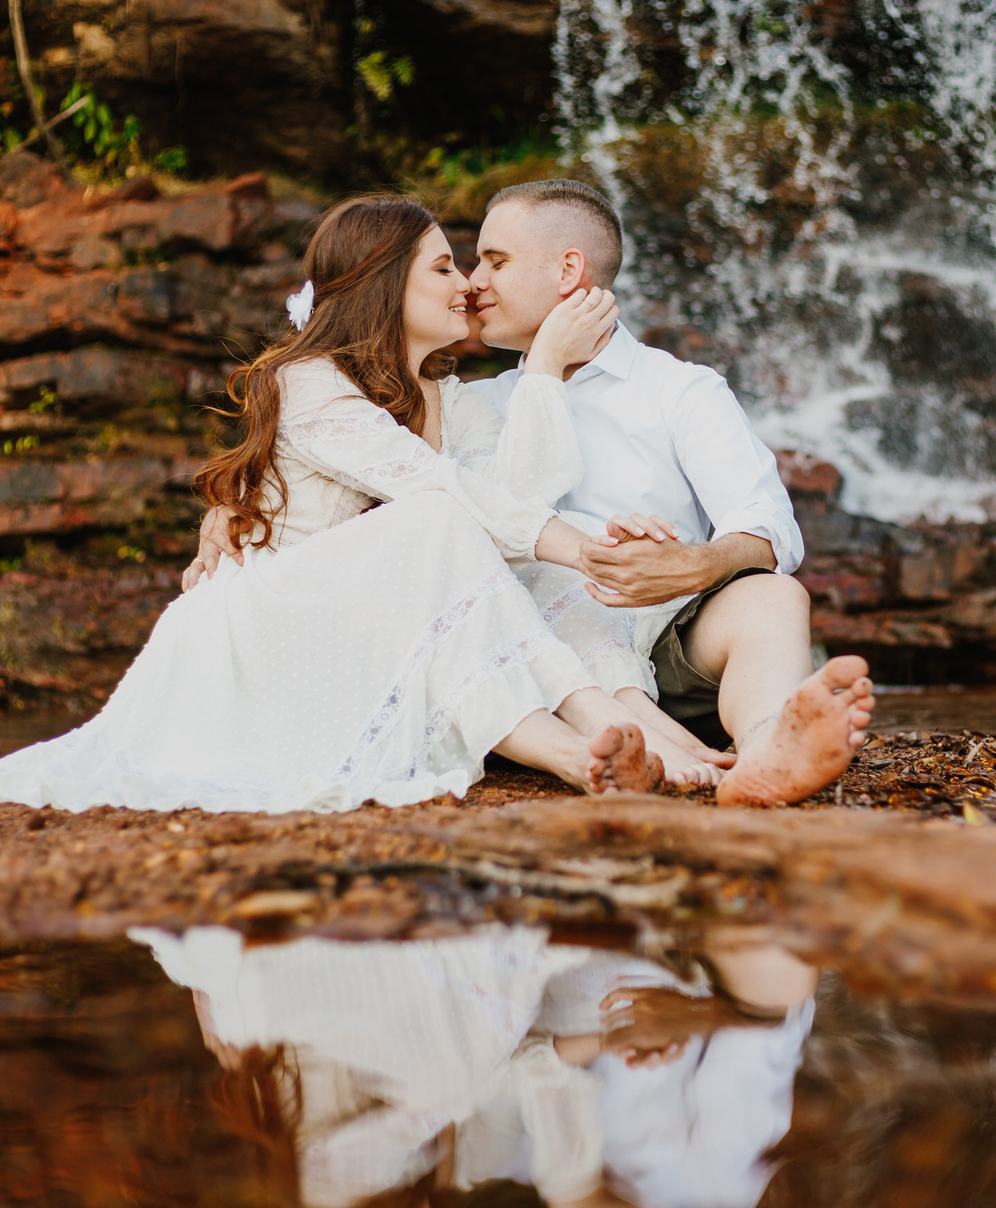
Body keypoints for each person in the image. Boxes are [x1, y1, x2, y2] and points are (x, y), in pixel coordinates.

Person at [0, 196, 718, 814]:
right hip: (260, 639)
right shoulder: (306, 380)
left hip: (361, 634)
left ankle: (624, 739)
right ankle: (586, 742)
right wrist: (579, 543)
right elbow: (442, 493)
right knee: (445, 518)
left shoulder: (452, 400)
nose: (467, 284)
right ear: (382, 287)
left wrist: (546, 368)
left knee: (542, 565)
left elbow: (517, 500)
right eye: (442, 268)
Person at [190, 180, 874, 805]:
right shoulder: (474, 399)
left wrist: (700, 563)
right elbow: (452, 501)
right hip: (523, 640)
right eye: (461, 265)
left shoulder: (680, 390)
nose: (473, 282)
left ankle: (764, 751)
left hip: (659, 638)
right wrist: (233, 510)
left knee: (774, 593)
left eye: (494, 261)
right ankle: (626, 739)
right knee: (522, 564)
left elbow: (768, 526)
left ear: (568, 270)